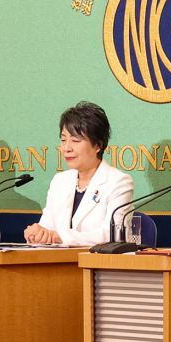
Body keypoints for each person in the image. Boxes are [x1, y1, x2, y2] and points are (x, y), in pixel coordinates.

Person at [26, 102, 135, 246]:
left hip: (96, 265)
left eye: (75, 140)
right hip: (57, 265)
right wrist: (38, 234)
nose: (66, 148)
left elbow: (112, 234)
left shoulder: (119, 182)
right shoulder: (60, 181)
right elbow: (47, 227)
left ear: (98, 145)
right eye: (63, 140)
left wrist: (58, 237)